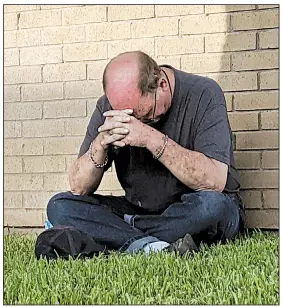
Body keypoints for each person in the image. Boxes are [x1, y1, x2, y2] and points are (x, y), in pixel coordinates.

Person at [47, 51, 245, 256]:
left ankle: (124, 237)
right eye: (129, 116)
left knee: (214, 207)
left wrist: (149, 137)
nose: (137, 122)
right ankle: (153, 246)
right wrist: (100, 145)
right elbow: (78, 187)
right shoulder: (108, 106)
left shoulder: (204, 93)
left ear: (162, 84)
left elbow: (215, 181)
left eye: (145, 115)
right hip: (138, 210)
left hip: (192, 208)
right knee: (60, 206)